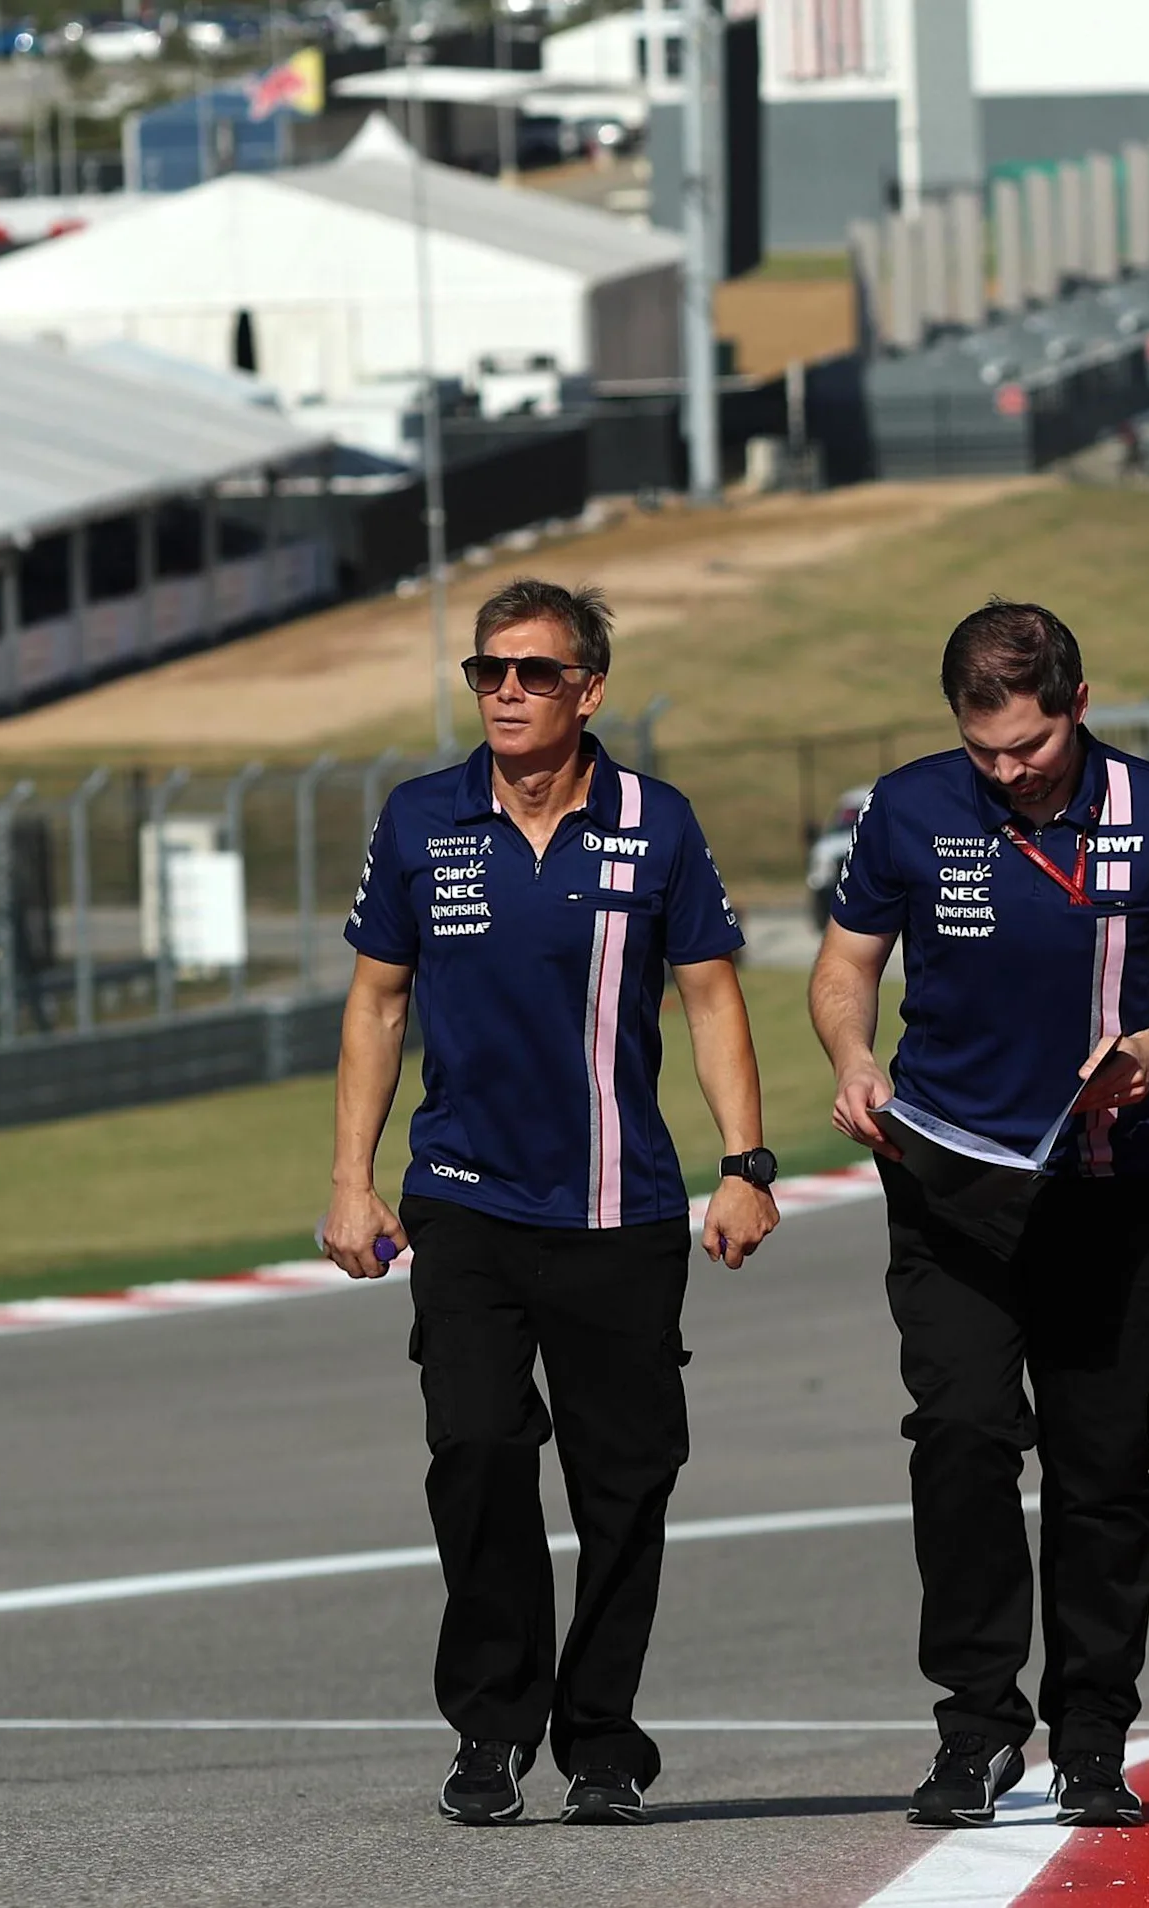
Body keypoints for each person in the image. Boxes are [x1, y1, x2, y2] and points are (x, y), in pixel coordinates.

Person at [323, 577, 780, 1828]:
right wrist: (351, 1179)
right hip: (463, 1201)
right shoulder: (421, 821)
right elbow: (375, 1003)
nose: (507, 693)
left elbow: (712, 1002)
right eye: (488, 672)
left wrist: (745, 1167)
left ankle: (601, 1738)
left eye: (533, 673)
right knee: (474, 1449)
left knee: (624, 1485)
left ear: (588, 689)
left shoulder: (658, 823)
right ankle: (490, 1725)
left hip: (621, 1210)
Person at [809, 600, 1149, 1830]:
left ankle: (1093, 1736)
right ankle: (972, 1727)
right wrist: (853, 1059)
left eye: (1030, 747)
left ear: (1076, 703)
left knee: (1102, 1465)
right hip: (948, 1176)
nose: (1008, 773)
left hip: (1106, 1185)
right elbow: (846, 964)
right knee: (959, 1437)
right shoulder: (907, 808)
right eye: (985, 752)